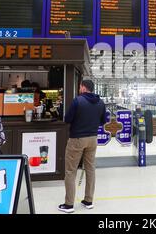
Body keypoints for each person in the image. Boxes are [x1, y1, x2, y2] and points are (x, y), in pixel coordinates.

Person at [58, 80, 106, 213]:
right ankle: (88, 200)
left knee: (70, 171)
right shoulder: (101, 103)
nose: (79, 88)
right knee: (90, 169)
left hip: (77, 139)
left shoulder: (77, 101)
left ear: (84, 88)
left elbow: (67, 119)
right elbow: (103, 121)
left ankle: (68, 205)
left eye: (80, 86)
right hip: (93, 139)